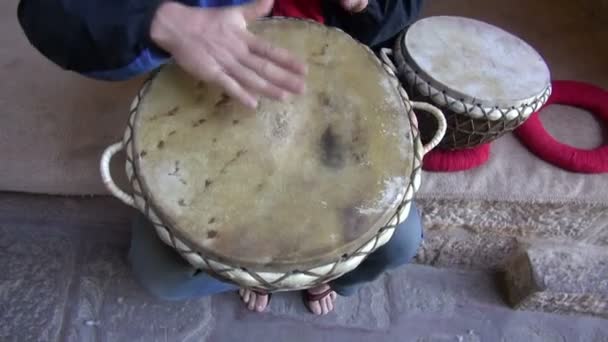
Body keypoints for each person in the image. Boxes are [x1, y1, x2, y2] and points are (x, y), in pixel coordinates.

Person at [17, 0, 424, 315]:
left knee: (401, 242)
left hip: (339, 94)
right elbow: (47, 11)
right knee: (159, 274)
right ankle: (256, 274)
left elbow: (403, 10)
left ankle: (321, 277)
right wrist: (156, 19)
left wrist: (366, 5)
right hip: (204, 81)